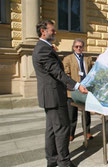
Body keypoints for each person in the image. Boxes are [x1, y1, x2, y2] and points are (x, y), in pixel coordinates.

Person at [32, 19, 87, 167]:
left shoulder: (44, 47)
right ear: (43, 32)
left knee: (51, 130)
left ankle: (52, 160)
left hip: (50, 96)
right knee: (63, 129)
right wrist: (76, 85)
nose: (55, 32)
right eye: (52, 30)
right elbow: (57, 72)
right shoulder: (43, 49)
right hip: (54, 97)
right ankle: (64, 162)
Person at [63, 38, 93, 141]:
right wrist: (75, 85)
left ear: (83, 48)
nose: (79, 48)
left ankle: (87, 132)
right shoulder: (67, 59)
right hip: (72, 90)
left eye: (80, 46)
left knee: (86, 113)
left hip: (85, 90)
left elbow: (92, 72)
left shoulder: (88, 59)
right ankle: (71, 133)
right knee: (72, 114)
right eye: (77, 46)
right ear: (73, 47)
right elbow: (66, 75)